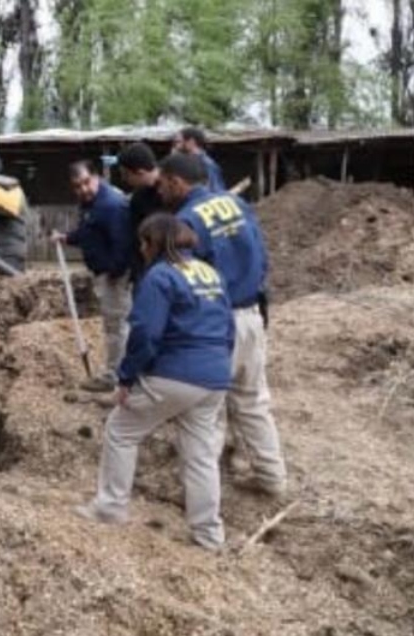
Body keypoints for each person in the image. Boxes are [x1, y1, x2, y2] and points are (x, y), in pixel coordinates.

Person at [76, 213, 235, 551]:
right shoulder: (211, 273)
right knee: (201, 455)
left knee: (121, 430)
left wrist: (127, 378)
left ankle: (110, 507)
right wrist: (220, 367)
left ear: (153, 244)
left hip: (176, 372)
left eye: (143, 243)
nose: (141, 250)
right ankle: (208, 533)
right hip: (216, 376)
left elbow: (146, 333)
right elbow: (228, 325)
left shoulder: (161, 277)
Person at [158, 152, 287, 497]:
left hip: (216, 323)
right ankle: (272, 478)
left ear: (176, 181)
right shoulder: (238, 205)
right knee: (253, 400)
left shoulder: (185, 221)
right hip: (251, 314)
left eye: (162, 185)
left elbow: (188, 282)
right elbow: (262, 254)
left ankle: (198, 495)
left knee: (205, 409)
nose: (160, 193)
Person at [51, 160, 132, 392]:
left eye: (87, 182)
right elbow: (89, 232)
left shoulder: (110, 205)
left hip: (116, 276)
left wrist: (115, 273)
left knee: (117, 327)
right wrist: (67, 238)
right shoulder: (92, 204)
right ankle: (120, 373)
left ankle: (116, 378)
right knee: (114, 326)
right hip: (107, 274)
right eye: (77, 186)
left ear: (96, 177)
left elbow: (123, 244)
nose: (83, 189)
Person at [117, 142, 163, 285]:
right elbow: (134, 236)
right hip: (147, 269)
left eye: (126, 175)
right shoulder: (138, 197)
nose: (124, 180)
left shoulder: (173, 191)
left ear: (140, 173)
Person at [174, 126, 226, 192]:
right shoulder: (186, 162)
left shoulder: (206, 164)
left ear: (191, 142)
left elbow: (215, 191)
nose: (175, 146)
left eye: (178, 142)